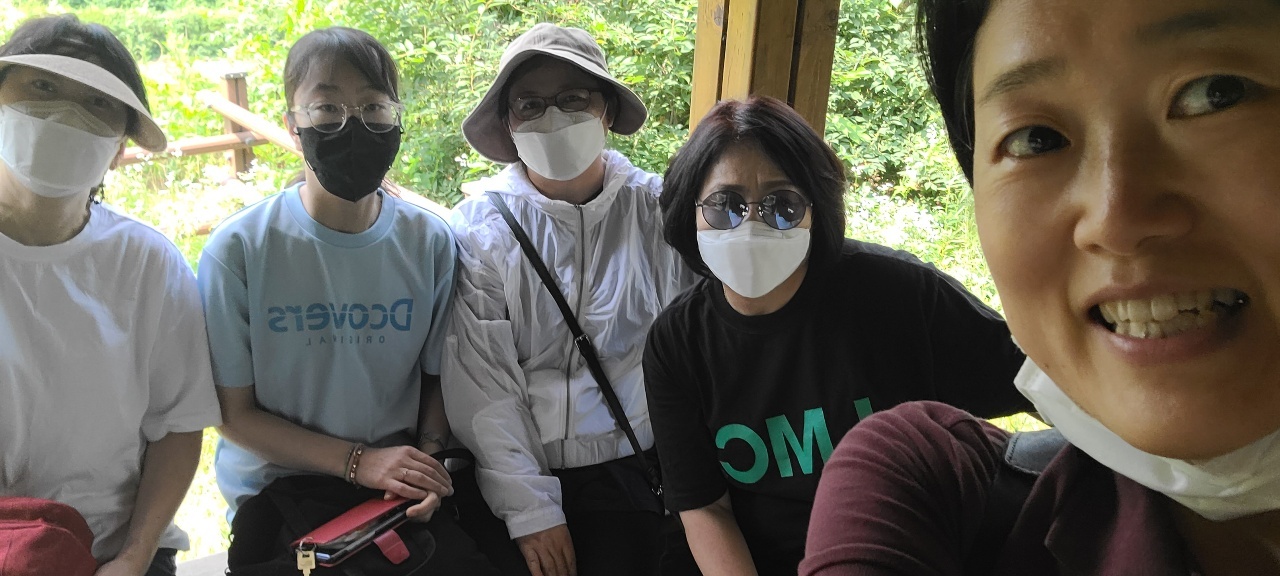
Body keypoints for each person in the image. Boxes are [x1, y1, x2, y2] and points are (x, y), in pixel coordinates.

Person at [801, 0, 1280, 574]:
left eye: (1218, 94)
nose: (1115, 218)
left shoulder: (894, 288)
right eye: (1036, 139)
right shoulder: (922, 487)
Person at [645, 95, 1030, 576]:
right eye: (726, 205)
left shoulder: (898, 297)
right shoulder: (678, 343)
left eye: (782, 205)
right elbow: (705, 507)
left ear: (816, 209)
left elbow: (1048, 379)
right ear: (691, 212)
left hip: (901, 555)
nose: (752, 225)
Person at [198, 27, 490, 572]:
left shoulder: (429, 242)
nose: (352, 124)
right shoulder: (240, 250)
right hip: (281, 496)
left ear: (396, 118)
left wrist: (426, 465)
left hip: (392, 493)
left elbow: (435, 378)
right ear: (292, 122)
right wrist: (358, 462)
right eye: (327, 107)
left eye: (373, 106)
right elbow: (234, 415)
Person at [442, 22, 695, 576]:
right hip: (519, 476)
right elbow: (483, 387)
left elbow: (694, 354)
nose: (552, 116)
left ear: (607, 110)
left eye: (573, 98)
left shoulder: (659, 213)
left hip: (642, 469)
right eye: (530, 104)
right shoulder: (480, 231)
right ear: (508, 124)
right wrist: (531, 511)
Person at [0, 14, 222, 576]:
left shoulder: (147, 263)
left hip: (116, 554)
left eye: (98, 102)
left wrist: (133, 557)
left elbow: (178, 424)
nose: (66, 114)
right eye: (43, 86)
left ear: (120, 145)